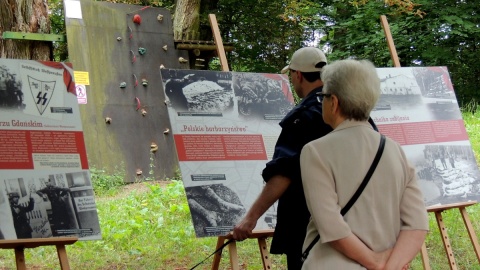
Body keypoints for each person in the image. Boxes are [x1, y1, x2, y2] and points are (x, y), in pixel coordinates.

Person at [300, 59, 429, 269]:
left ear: (334, 102)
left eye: (322, 97)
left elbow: (330, 225)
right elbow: (417, 223)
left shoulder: (315, 151)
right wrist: (390, 265)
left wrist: (375, 262)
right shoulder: (395, 149)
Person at [232, 47, 338, 269]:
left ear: (297, 75)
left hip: (307, 223)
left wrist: (250, 218)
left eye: (291, 75)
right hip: (347, 218)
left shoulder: (303, 117)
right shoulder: (346, 107)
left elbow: (284, 173)